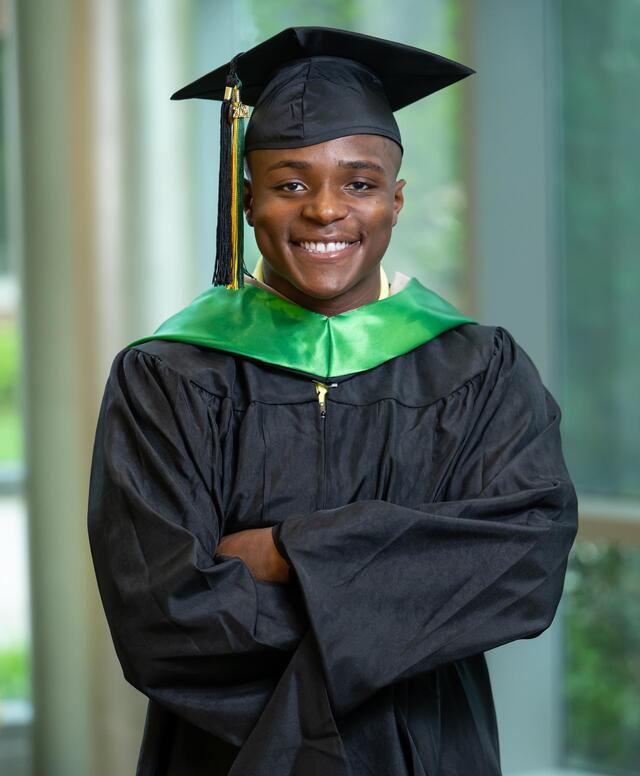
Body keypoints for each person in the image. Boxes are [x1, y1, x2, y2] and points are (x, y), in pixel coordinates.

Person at [87, 26, 579, 776]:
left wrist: (290, 552)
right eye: (290, 183)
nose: (325, 210)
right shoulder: (168, 377)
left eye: (359, 182)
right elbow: (162, 615)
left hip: (433, 755)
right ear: (247, 201)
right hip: (226, 758)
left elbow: (522, 565)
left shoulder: (481, 371)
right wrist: (396, 607)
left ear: (396, 200)